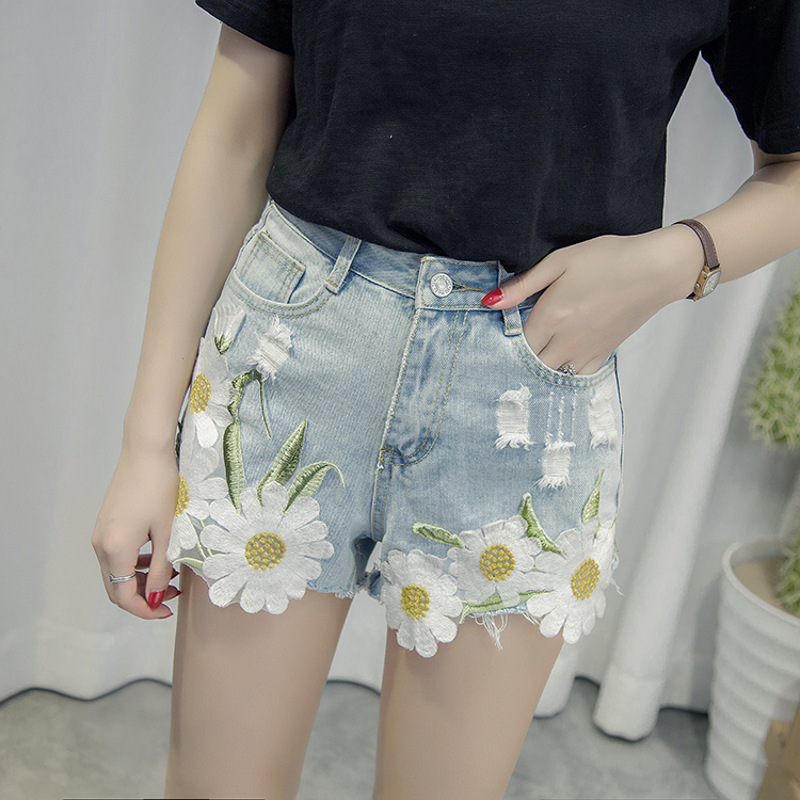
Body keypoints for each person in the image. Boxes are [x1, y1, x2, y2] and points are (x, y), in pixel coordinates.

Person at [92, 1, 800, 798]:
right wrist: (145, 443)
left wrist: (677, 259)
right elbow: (233, 134)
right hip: (291, 356)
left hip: (528, 393)